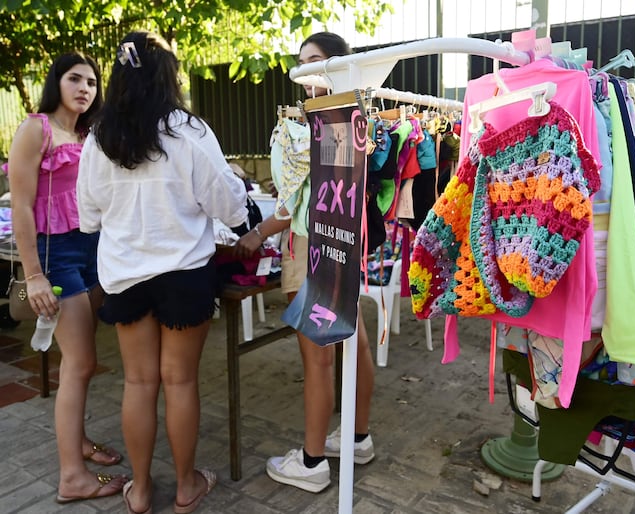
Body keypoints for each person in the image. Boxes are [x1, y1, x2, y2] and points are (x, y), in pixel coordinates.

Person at [77, 31, 248, 513]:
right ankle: (187, 486)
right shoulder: (188, 130)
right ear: (168, 76)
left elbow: (88, 217)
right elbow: (228, 204)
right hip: (183, 273)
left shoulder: (99, 136)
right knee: (179, 382)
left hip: (124, 274)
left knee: (139, 383)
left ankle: (142, 490)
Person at [234, 31, 376, 493]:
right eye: (301, 63)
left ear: (338, 64)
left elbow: (294, 201)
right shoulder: (357, 118)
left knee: (319, 359)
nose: (304, 72)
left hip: (309, 246)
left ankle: (313, 462)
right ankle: (358, 438)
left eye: (314, 61)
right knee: (355, 344)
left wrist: (257, 233)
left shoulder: (311, 124)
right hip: (344, 245)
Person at [5, 51, 129, 504]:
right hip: (54, 257)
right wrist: (33, 275)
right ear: (57, 81)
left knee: (84, 361)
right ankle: (71, 477)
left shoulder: (88, 133)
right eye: (75, 79)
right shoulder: (34, 128)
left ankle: (76, 442)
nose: (84, 89)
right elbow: (20, 206)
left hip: (93, 252)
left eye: (92, 83)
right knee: (79, 362)